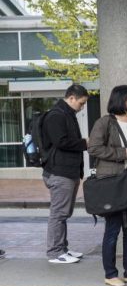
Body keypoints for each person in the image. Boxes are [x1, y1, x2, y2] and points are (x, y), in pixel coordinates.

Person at [88, 85, 127, 286]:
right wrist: (120, 154)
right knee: (113, 228)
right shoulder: (105, 122)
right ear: (122, 100)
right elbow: (94, 148)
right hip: (113, 182)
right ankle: (111, 274)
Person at [42, 84, 89, 264]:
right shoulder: (56, 115)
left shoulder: (66, 114)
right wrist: (84, 143)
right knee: (59, 213)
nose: (82, 107)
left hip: (67, 171)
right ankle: (55, 252)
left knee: (63, 213)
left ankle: (62, 248)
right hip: (59, 172)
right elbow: (61, 142)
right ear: (71, 98)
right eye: (81, 103)